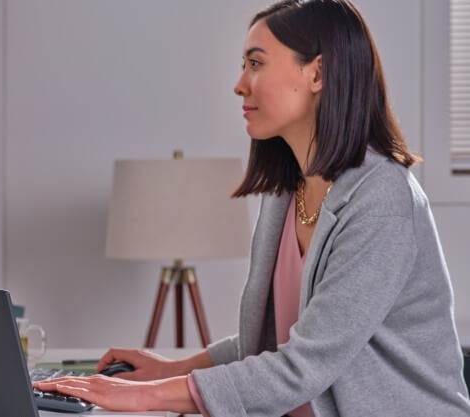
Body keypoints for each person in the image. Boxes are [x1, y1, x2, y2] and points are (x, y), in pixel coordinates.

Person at [33, 0, 470, 416]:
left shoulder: (383, 200)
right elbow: (268, 344)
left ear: (318, 72)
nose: (239, 84)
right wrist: (171, 369)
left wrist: (144, 396)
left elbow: (302, 365)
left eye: (256, 64)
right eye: (244, 65)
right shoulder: (287, 192)